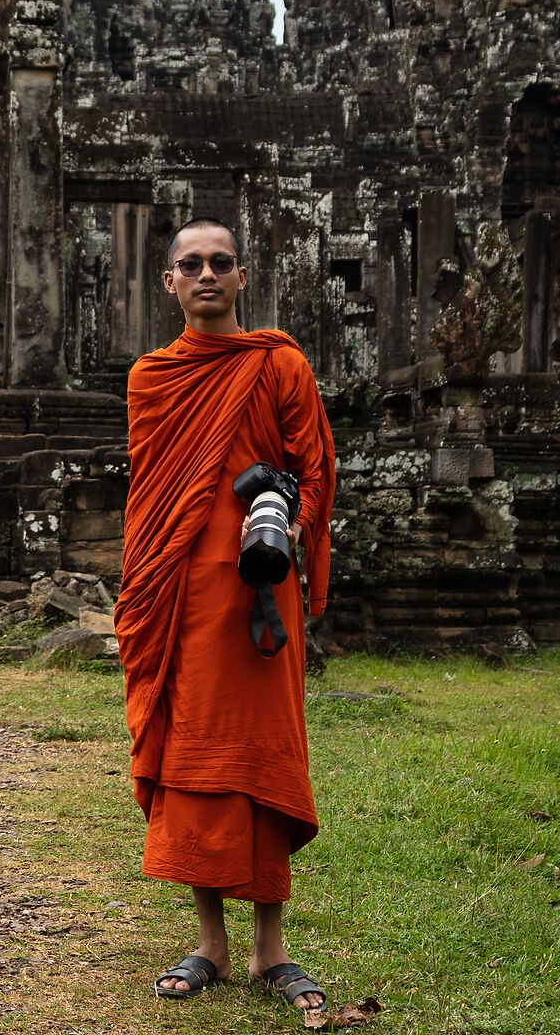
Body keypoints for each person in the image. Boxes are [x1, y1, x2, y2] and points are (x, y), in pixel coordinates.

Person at [115, 216, 336, 1022]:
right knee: (194, 759)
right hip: (181, 594)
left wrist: (280, 516)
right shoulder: (152, 378)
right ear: (169, 283)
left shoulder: (280, 365)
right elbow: (150, 500)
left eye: (221, 263)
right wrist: (140, 588)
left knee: (262, 758)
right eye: (190, 265)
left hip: (258, 596)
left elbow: (314, 472)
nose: (207, 275)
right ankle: (210, 941)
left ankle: (269, 945)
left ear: (243, 277)